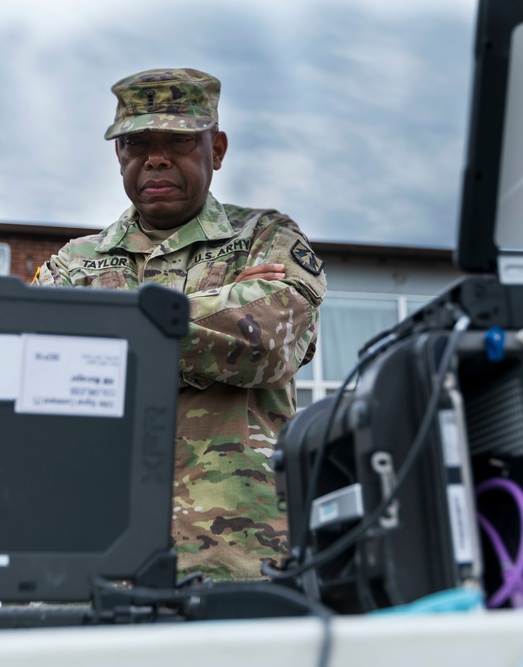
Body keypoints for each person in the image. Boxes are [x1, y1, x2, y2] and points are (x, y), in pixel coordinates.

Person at [35, 67, 326, 581]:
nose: (156, 157)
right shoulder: (73, 262)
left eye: (179, 140)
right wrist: (214, 309)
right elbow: (36, 369)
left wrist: (101, 331)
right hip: (86, 556)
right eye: (136, 142)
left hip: (235, 555)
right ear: (119, 156)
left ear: (216, 150)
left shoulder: (267, 237)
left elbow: (263, 342)